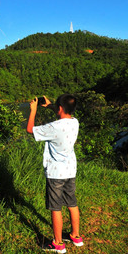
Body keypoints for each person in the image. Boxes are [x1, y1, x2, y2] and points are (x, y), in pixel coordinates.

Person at [27, 94, 83, 253]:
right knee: (72, 203)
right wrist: (51, 106)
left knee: (56, 207)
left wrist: (33, 110)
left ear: (60, 108)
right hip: (70, 170)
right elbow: (63, 114)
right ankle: (76, 236)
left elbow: (30, 129)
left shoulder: (54, 127)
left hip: (56, 174)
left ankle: (58, 243)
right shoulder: (74, 122)